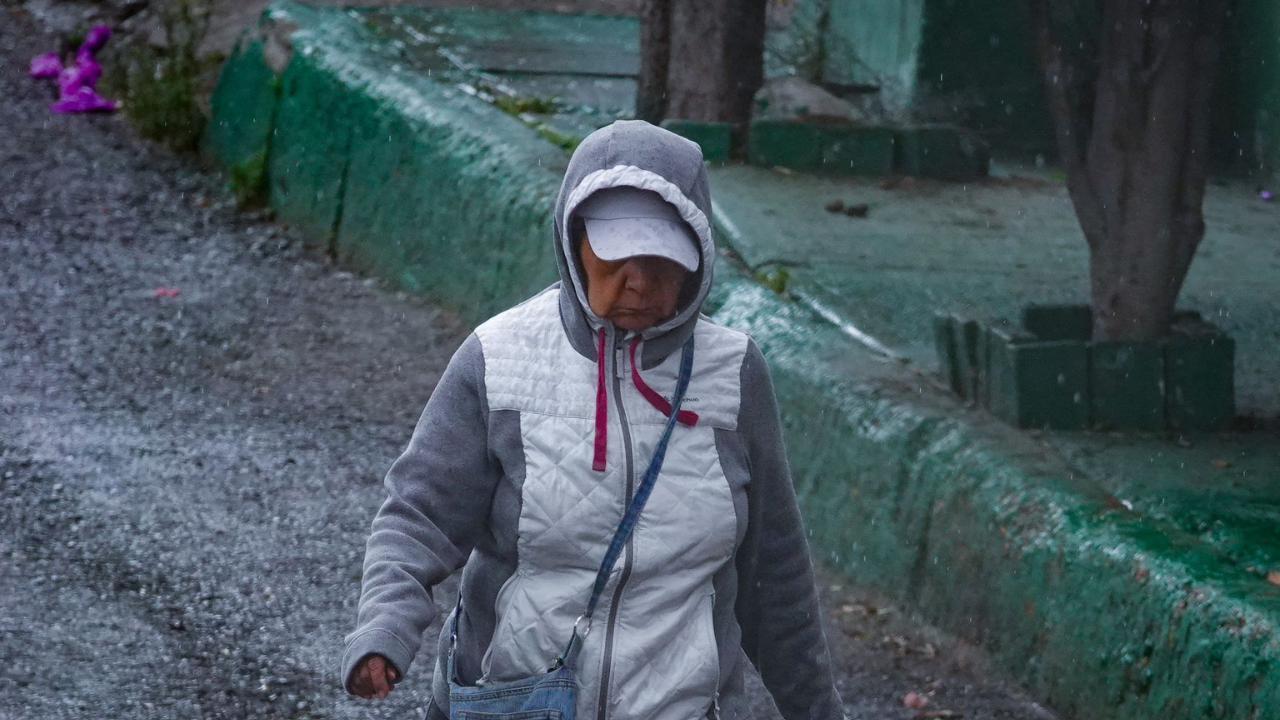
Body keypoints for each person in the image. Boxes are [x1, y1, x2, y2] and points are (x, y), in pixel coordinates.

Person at [342, 120, 844, 720]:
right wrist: (384, 628)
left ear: (695, 259)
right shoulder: (498, 359)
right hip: (515, 700)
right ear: (573, 239)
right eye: (616, 253)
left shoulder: (734, 375)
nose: (636, 280)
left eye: (659, 258)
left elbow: (774, 574)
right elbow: (417, 515)